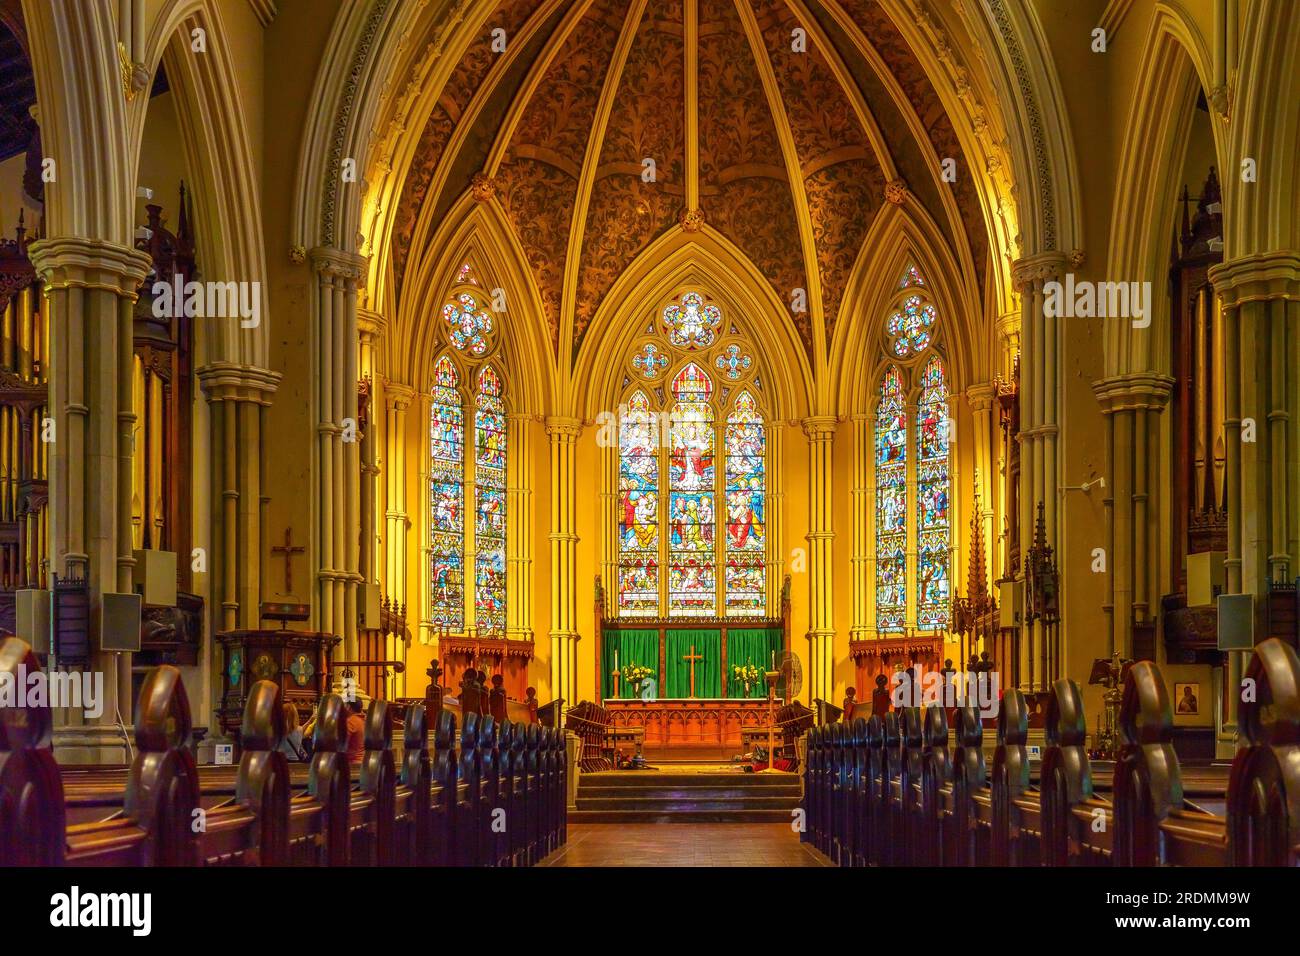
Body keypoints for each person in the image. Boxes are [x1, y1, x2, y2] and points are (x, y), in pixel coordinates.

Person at [345, 698, 366, 766]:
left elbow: (341, 744)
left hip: (352, 763)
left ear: (348, 707)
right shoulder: (364, 720)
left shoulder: (350, 722)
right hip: (363, 762)